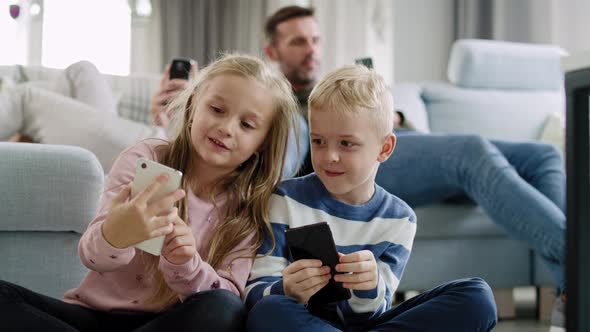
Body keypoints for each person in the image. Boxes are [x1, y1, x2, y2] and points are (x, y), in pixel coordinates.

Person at [255, 5, 567, 319]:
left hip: (394, 143)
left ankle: (570, 287)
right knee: (470, 151)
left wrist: (397, 118)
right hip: (369, 164)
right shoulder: (285, 106)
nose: (311, 49)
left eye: (315, 40)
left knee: (543, 156)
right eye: (298, 42)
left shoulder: (339, 88)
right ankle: (580, 266)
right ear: (272, 51)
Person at [0, 53, 301, 332]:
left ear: (263, 141)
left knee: (225, 309)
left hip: (172, 323)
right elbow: (92, 257)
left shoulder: (250, 207)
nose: (226, 127)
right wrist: (115, 235)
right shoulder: (146, 158)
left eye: (247, 124)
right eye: (217, 109)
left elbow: (229, 296)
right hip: (93, 316)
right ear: (194, 103)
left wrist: (187, 264)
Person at [244, 65, 498, 331]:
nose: (330, 155)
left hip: (365, 326)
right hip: (299, 322)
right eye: (319, 141)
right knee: (268, 311)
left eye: (346, 144)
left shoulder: (400, 219)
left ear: (384, 148)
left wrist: (370, 288)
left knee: (477, 297)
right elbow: (253, 296)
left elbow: (369, 315)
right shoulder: (283, 199)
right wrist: (286, 289)